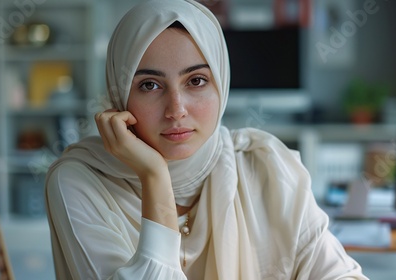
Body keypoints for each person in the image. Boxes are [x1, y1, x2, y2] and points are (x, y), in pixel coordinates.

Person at [45, 0, 369, 279]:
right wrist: (154, 175)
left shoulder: (265, 165)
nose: (176, 110)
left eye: (196, 80)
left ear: (221, 85)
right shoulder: (79, 181)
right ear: (119, 94)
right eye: (149, 85)